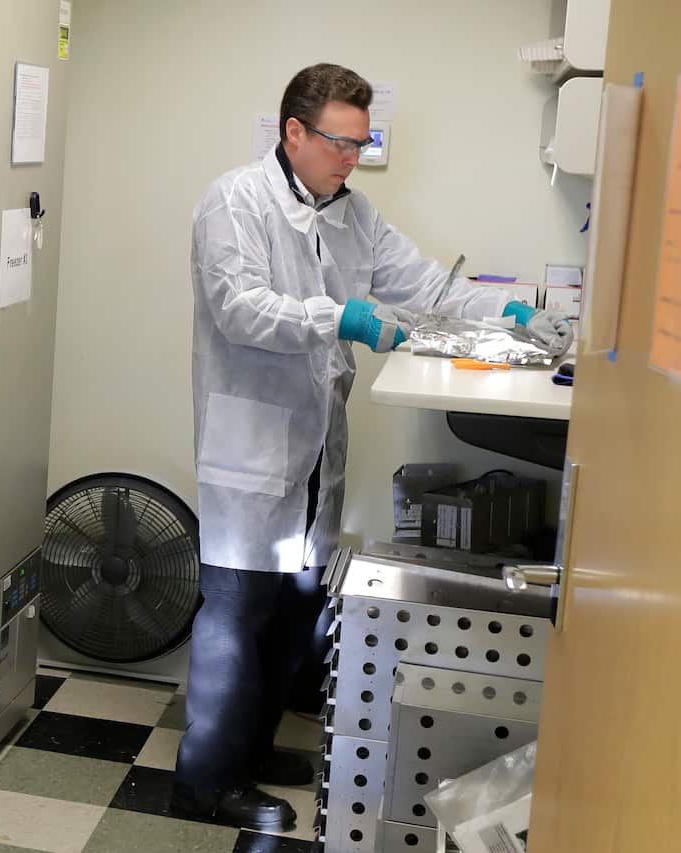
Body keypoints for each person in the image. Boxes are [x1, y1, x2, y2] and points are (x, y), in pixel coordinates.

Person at [169, 63, 571, 832]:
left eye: (362, 143)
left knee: (291, 610)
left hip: (318, 441)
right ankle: (203, 782)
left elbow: (431, 287)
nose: (352, 157)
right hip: (251, 446)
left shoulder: (353, 216)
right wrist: (341, 319)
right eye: (340, 142)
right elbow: (239, 309)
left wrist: (512, 307)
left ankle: (245, 757)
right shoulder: (234, 202)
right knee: (236, 619)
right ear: (294, 132)